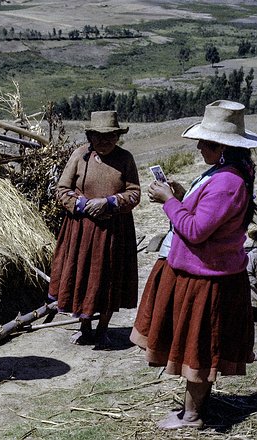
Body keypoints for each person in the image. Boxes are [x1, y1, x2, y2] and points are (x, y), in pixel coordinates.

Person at [130, 100, 256, 430]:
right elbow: (207, 216)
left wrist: (169, 202)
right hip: (205, 272)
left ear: (225, 148)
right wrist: (184, 196)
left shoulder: (229, 182)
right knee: (196, 347)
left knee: (198, 348)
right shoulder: (226, 173)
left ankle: (193, 416)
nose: (199, 147)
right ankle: (194, 410)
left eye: (207, 143)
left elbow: (197, 231)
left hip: (208, 279)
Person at [48, 110, 141, 349]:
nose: (105, 141)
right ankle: (85, 327)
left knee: (108, 277)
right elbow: (61, 189)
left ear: (118, 136)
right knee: (84, 275)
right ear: (90, 136)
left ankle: (102, 329)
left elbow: (134, 193)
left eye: (110, 136)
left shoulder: (125, 159)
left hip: (114, 231)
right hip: (81, 229)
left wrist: (109, 203)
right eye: (99, 136)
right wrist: (82, 204)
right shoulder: (80, 156)